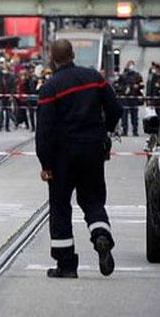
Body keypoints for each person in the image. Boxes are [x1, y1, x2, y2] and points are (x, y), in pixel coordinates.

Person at [36, 39, 123, 279]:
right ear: (73, 54)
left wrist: (45, 164)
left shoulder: (50, 88)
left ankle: (66, 265)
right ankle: (101, 236)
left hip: (62, 156)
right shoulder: (94, 77)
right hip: (92, 152)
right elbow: (116, 109)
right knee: (93, 200)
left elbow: (43, 130)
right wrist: (104, 130)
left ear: (52, 59)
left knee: (61, 207)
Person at [115, 60, 143, 136]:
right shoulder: (123, 75)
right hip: (125, 99)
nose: (131, 66)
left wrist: (138, 86)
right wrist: (124, 89)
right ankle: (125, 131)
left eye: (132, 65)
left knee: (134, 116)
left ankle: (135, 131)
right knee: (124, 116)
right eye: (129, 65)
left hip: (134, 98)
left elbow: (142, 85)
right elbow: (117, 85)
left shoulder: (137, 75)